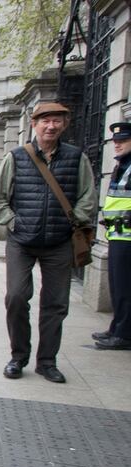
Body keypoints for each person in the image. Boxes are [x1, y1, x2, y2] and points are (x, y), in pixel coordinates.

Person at [0, 102, 98, 382]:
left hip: (59, 242)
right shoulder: (16, 157)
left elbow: (88, 196)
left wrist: (72, 220)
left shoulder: (76, 158)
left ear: (64, 124)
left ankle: (47, 361)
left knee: (56, 304)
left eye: (57, 121)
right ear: (34, 124)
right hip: (21, 241)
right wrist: (13, 222)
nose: (51, 126)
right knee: (16, 297)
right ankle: (18, 357)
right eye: (45, 121)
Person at [94, 122, 131, 350]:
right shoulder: (122, 165)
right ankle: (117, 327)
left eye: (123, 141)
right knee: (117, 286)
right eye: (116, 141)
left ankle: (124, 334)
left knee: (125, 287)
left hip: (128, 237)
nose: (117, 145)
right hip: (118, 234)